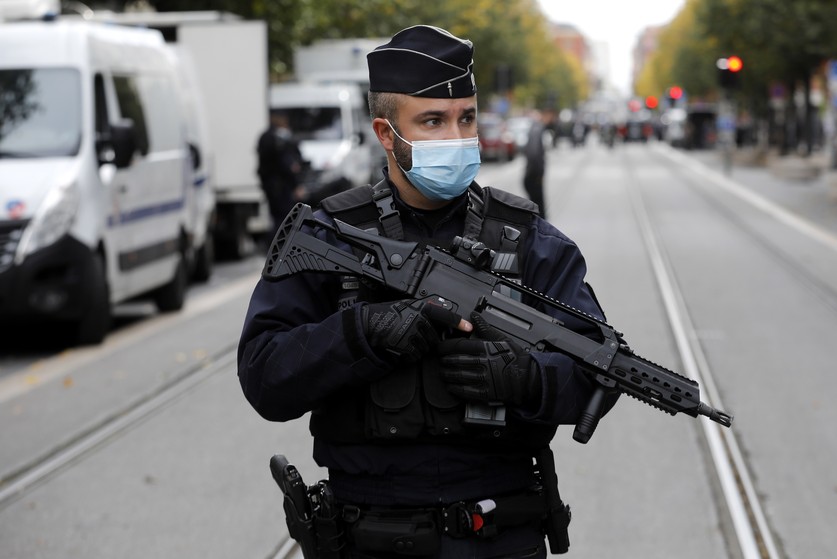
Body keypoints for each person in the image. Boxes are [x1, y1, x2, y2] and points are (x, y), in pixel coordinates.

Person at [238, 25, 618, 558]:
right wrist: (362, 334)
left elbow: (598, 372)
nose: (458, 136)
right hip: (367, 536)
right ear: (386, 133)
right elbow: (263, 376)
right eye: (434, 121)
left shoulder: (532, 242)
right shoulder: (328, 236)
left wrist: (527, 379)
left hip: (499, 533)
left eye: (466, 118)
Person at [257, 111, 305, 240]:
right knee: (284, 218)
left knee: (277, 217)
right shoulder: (276, 139)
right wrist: (295, 183)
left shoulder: (265, 136)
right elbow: (285, 165)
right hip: (279, 186)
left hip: (271, 185)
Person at [522, 110, 551, 219]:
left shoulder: (534, 129)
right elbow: (533, 153)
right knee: (538, 210)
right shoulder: (537, 129)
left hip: (531, 174)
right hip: (534, 175)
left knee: (535, 207)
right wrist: (539, 173)